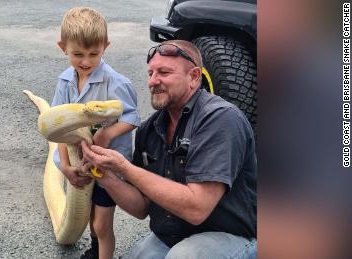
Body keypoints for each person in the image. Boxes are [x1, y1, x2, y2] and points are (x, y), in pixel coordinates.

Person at [81, 40, 257, 258]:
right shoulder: (150, 129)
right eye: (150, 73)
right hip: (174, 236)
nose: (153, 81)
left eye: (164, 72)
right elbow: (141, 208)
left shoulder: (220, 119)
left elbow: (196, 208)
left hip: (232, 237)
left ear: (193, 77)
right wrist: (105, 175)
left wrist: (125, 168)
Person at [51, 7, 141, 259]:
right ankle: (95, 250)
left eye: (94, 54)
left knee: (102, 224)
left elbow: (133, 116)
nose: (86, 62)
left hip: (107, 165)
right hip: (80, 164)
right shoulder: (64, 82)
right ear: (62, 47)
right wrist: (66, 167)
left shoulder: (117, 83)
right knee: (90, 218)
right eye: (77, 54)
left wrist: (108, 133)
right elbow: (60, 129)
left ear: (106, 46)